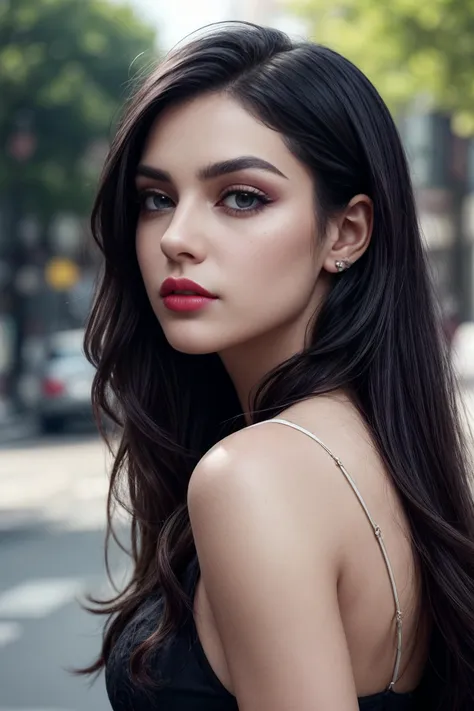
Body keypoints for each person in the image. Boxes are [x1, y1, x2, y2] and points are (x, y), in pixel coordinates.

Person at [80, 22, 474, 710]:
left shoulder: (253, 476)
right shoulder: (385, 451)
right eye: (157, 198)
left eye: (241, 197)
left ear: (345, 232)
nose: (176, 238)